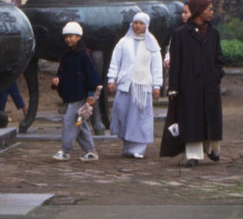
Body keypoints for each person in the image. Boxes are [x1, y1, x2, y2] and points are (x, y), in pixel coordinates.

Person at [167, 0, 224, 166]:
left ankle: (210, 148)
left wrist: (216, 75)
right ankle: (193, 154)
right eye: (208, 9)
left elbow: (218, 58)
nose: (212, 12)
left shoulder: (213, 33)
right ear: (198, 10)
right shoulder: (180, 34)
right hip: (189, 85)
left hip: (209, 85)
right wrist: (174, 87)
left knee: (210, 117)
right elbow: (175, 63)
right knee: (191, 118)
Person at [107, 12, 163, 158]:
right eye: (136, 23)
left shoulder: (152, 44)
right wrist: (111, 79)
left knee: (140, 117)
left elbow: (156, 67)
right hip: (126, 85)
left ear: (147, 25)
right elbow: (115, 62)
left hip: (143, 87)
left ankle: (138, 148)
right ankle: (127, 145)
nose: (138, 26)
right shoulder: (123, 42)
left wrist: (157, 85)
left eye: (141, 23)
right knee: (124, 114)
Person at [51, 21, 102, 162]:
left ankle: (65, 150)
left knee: (70, 121)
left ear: (79, 37)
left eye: (71, 36)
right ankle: (91, 151)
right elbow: (61, 73)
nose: (68, 39)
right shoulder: (66, 55)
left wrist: (91, 97)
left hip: (81, 95)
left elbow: (92, 77)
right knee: (79, 123)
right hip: (71, 94)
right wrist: (57, 80)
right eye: (66, 37)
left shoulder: (85, 55)